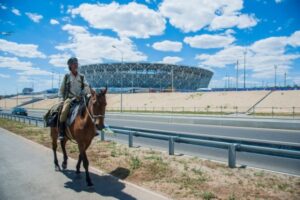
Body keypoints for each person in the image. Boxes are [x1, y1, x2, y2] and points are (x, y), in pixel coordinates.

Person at [59, 57, 90, 140]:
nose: (76, 65)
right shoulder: (67, 76)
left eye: (76, 63)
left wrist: (86, 91)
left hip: (81, 98)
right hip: (70, 99)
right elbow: (61, 89)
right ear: (70, 66)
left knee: (91, 108)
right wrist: (62, 100)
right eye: (74, 63)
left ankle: (94, 128)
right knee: (64, 111)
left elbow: (87, 87)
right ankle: (61, 132)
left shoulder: (82, 76)